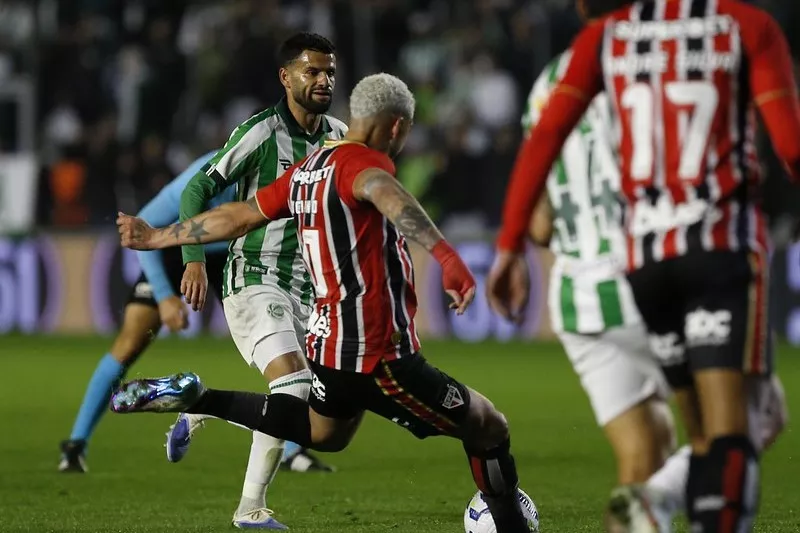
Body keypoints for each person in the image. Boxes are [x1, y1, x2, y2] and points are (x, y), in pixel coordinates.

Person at [111, 73, 534, 533]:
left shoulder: (308, 169)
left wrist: (158, 236)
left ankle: (202, 399)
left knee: (324, 434)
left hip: (329, 347)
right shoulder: (363, 165)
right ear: (395, 128)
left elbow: (238, 216)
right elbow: (384, 192)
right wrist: (447, 257)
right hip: (379, 354)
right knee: (489, 427)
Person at [487, 0, 800, 531]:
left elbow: (541, 198)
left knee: (644, 457)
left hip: (586, 287)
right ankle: (666, 502)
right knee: (748, 422)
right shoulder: (723, 32)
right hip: (677, 253)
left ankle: (645, 505)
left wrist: (510, 245)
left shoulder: (560, 72)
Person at [168, 32, 347, 529]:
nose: (323, 80)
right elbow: (199, 187)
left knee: (308, 407)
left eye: (329, 72)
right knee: (291, 383)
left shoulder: (339, 136)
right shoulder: (261, 133)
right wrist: (194, 257)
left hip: (311, 290)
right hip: (254, 276)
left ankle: (199, 404)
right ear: (286, 77)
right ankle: (250, 510)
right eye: (312, 71)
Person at [522, 49, 675, 531]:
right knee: (752, 419)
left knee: (644, 455)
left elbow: (540, 225)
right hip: (649, 280)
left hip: (579, 295)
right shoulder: (654, 62)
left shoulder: (548, 81)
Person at [59, 150, 225, 474]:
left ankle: (291, 448)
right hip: (174, 251)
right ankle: (76, 444)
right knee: (130, 342)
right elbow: (144, 227)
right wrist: (164, 298)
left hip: (231, 252)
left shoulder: (277, 168)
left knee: (273, 342)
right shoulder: (203, 175)